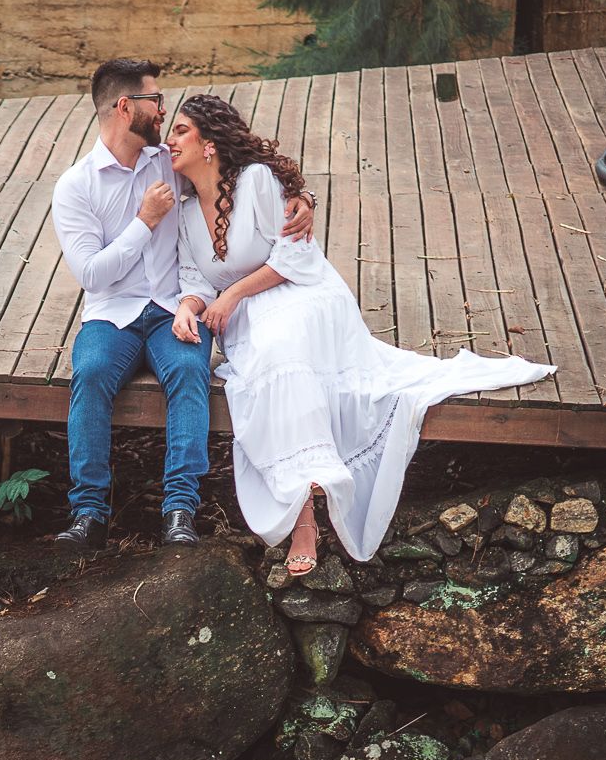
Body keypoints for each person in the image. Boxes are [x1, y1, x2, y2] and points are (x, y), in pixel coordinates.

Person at [166, 93, 555, 574]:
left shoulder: (257, 181)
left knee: (282, 351)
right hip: (246, 317)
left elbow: (296, 256)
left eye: (180, 130)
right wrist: (188, 308)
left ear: (209, 143)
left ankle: (308, 505)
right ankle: (304, 498)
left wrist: (232, 295)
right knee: (268, 358)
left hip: (302, 294)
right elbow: (193, 278)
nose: (170, 141)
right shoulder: (186, 212)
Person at [50, 56, 315, 553]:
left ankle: (179, 510)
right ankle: (89, 513)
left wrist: (300, 197)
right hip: (113, 313)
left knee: (190, 372)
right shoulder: (76, 186)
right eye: (155, 101)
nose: (163, 111)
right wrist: (145, 221)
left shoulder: (167, 161)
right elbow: (91, 275)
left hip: (176, 307)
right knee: (90, 373)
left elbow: (236, 171)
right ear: (125, 107)